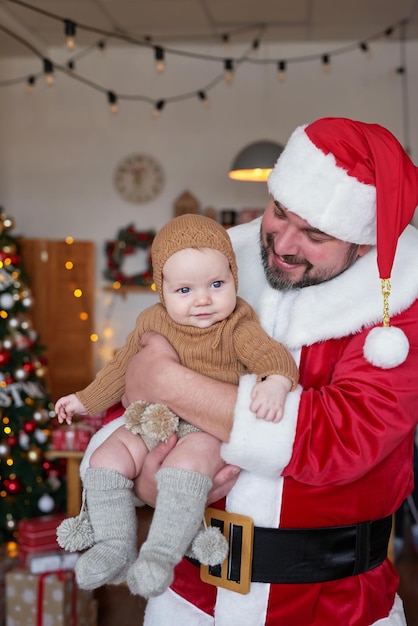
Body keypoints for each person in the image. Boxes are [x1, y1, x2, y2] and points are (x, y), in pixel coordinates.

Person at [93, 117, 418, 625]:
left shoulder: (399, 307)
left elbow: (341, 435)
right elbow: (129, 395)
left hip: (330, 605)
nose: (283, 243)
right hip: (190, 599)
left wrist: (169, 383)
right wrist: (143, 479)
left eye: (314, 233)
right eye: (279, 212)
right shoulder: (221, 261)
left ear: (364, 242)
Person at [54, 214, 298, 598]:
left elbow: (273, 357)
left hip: (204, 429)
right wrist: (84, 399)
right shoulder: (152, 321)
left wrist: (276, 384)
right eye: (184, 290)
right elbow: (120, 369)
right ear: (161, 290)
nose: (203, 300)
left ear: (234, 277)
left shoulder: (237, 323)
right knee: (106, 458)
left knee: (185, 467)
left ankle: (160, 554)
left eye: (217, 284)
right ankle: (114, 545)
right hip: (152, 421)